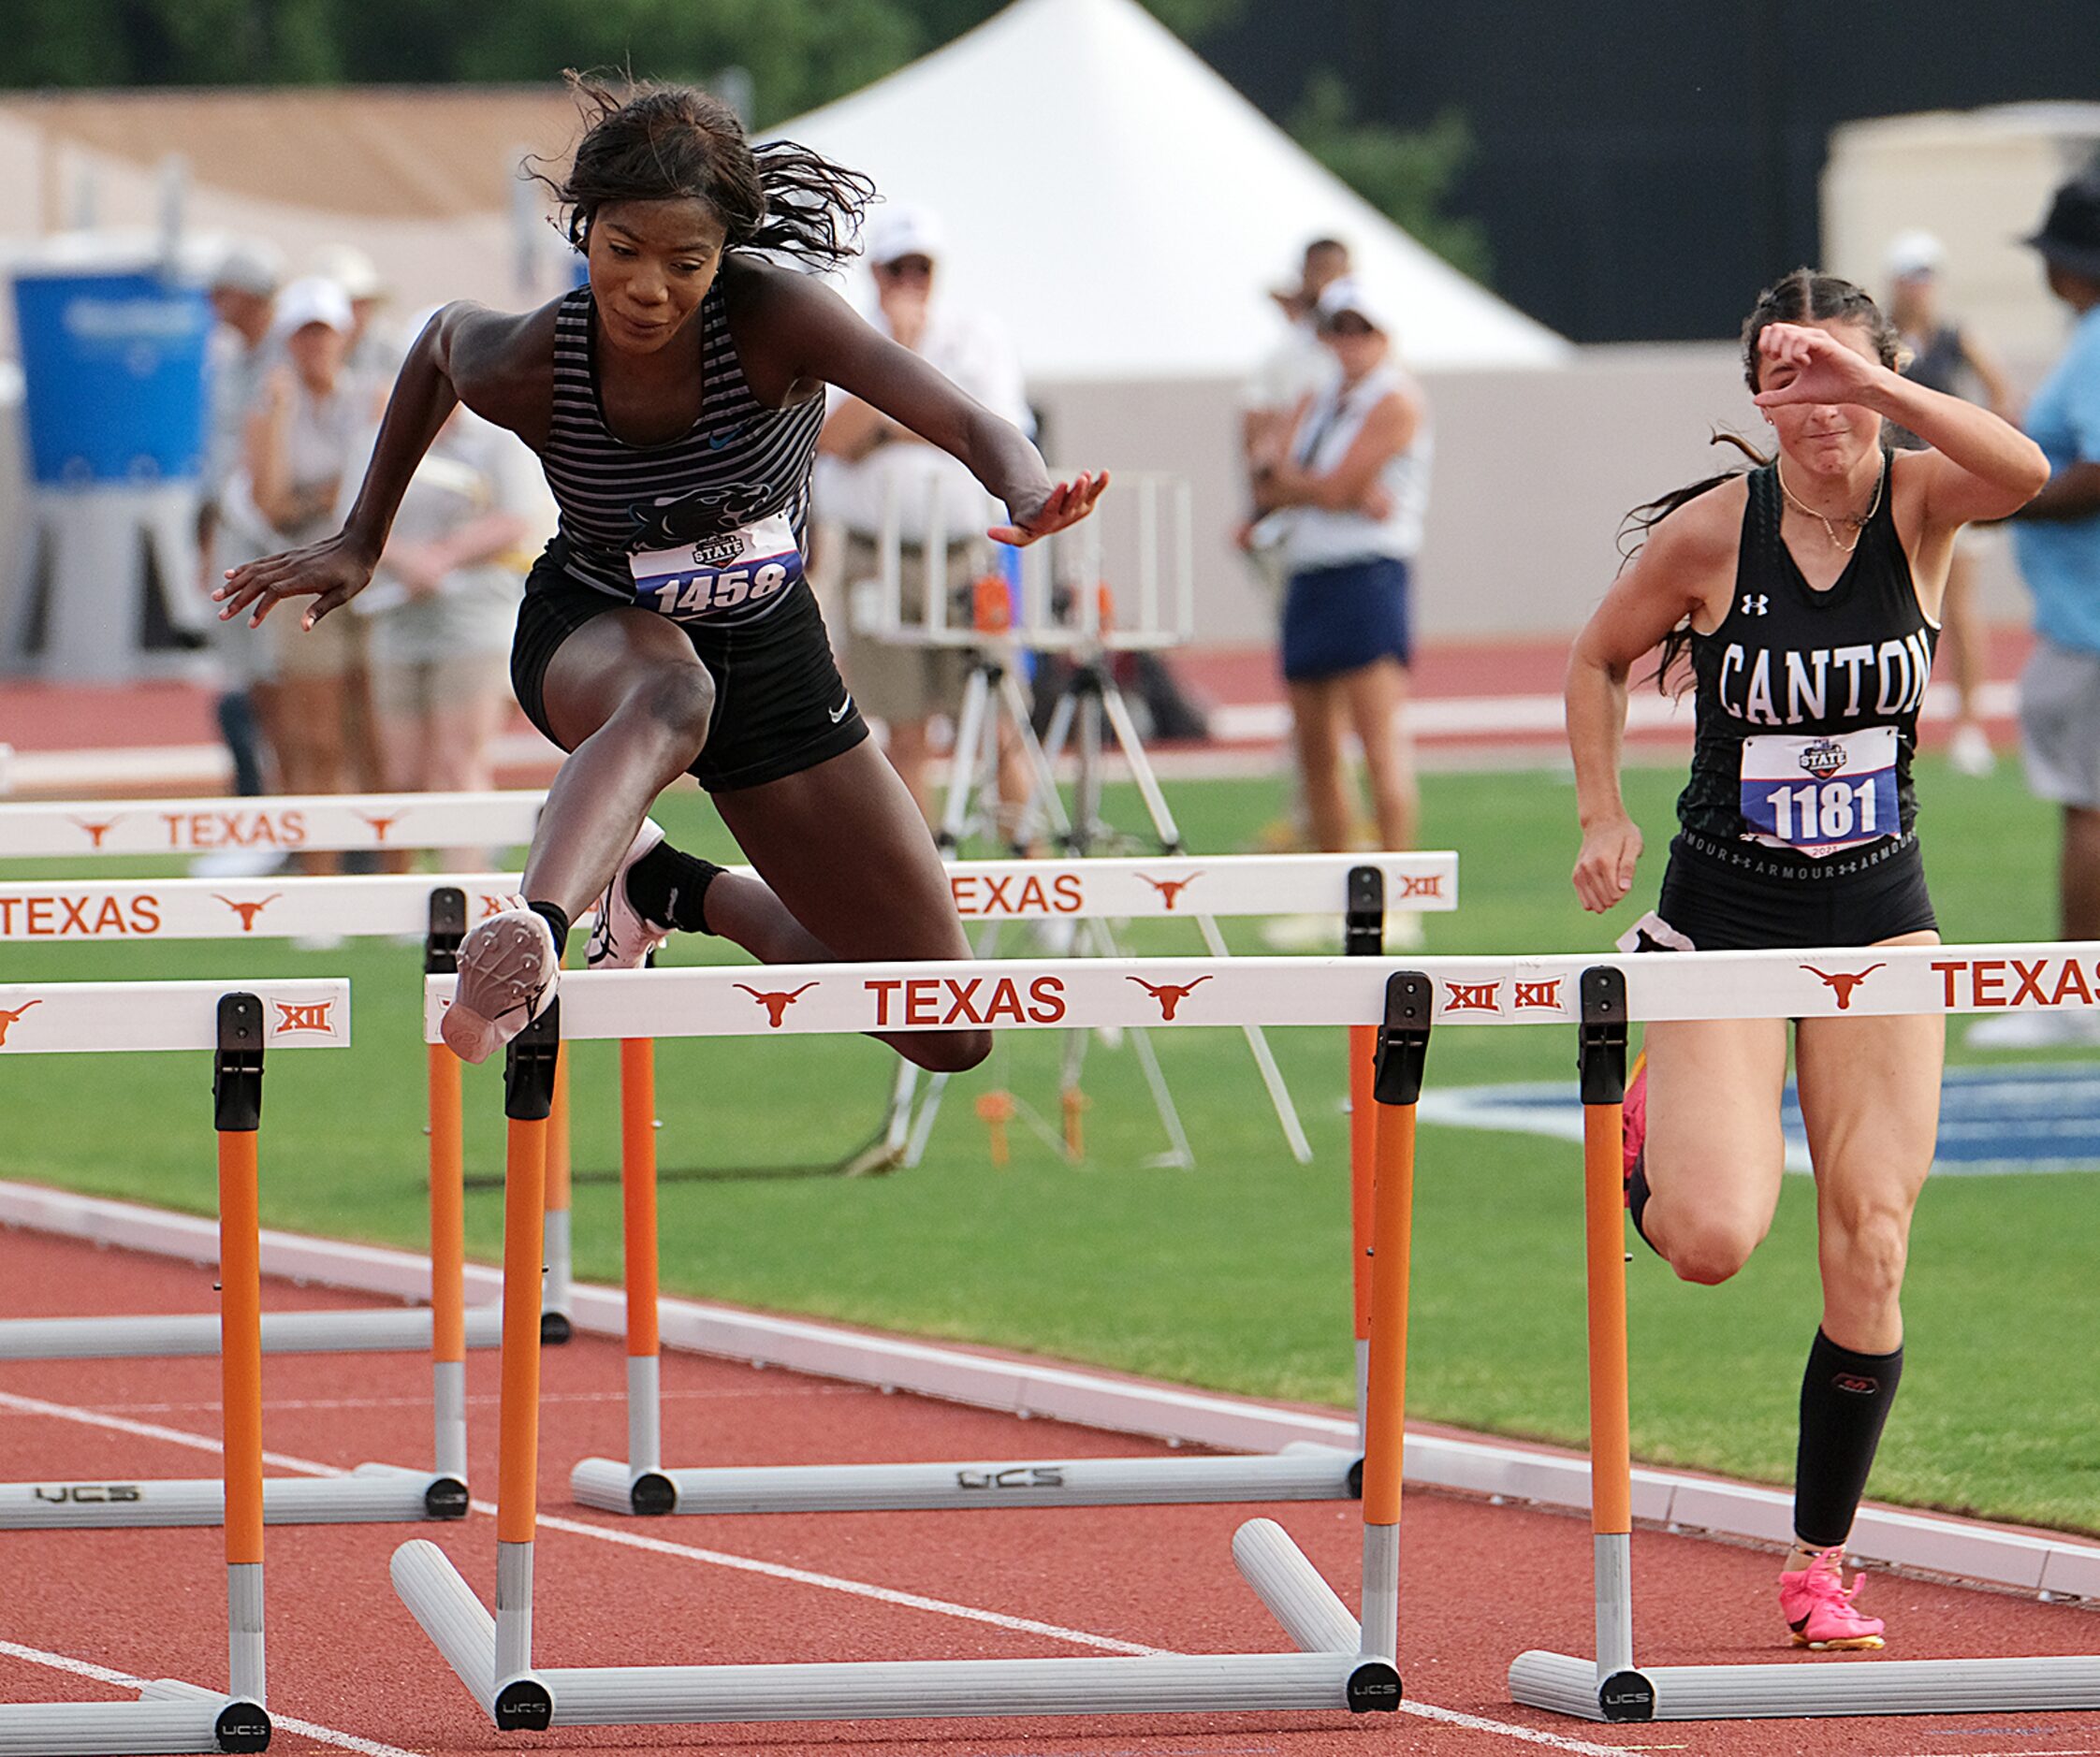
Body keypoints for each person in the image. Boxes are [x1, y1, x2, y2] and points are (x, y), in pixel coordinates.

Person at [218, 75, 1104, 1067]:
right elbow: (434, 345)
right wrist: (360, 539)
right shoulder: (534, 357)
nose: (648, 288)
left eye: (685, 264)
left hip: (770, 650)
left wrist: (1026, 491)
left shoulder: (777, 322)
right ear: (585, 234)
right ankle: (535, 932)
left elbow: (969, 418)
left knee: (945, 1026)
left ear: (724, 256)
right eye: (621, 253)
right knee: (673, 690)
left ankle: (675, 888)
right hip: (597, 625)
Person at [1566, 269, 2047, 1650]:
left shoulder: (1923, 499)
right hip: (1727, 920)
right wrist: (1604, 811)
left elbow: (2026, 469)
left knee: (1874, 1245)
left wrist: (1873, 379)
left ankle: (1820, 1561)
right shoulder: (1720, 535)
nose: (1823, 413)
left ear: (1884, 381)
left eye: (1846, 382)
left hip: (1880, 918)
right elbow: (1596, 660)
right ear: (1762, 402)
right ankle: (1656, 1112)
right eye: (1793, 385)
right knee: (1710, 1240)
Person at [816, 203, 1033, 820]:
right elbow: (831, 439)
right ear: (876, 274)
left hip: (963, 551)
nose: (910, 281)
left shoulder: (975, 335)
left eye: (921, 268)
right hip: (875, 555)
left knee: (997, 723)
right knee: (902, 731)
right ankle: (931, 890)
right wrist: (898, 354)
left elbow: (995, 432)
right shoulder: (847, 339)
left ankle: (1036, 878)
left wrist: (884, 429)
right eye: (897, 268)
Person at [1248, 277, 1431, 914]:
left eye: (1361, 330)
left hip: (1366, 572)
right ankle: (1338, 894)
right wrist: (1330, 486)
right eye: (1339, 330)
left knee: (1377, 737)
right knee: (1316, 746)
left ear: (1383, 337)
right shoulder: (1315, 395)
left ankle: (1401, 895)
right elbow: (1271, 480)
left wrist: (1318, 484)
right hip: (1312, 570)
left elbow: (1317, 485)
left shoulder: (1396, 399)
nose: (1349, 343)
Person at [342, 397, 536, 869]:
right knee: (404, 770)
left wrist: (445, 556)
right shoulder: (377, 439)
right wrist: (409, 561)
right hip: (397, 617)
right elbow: (351, 519)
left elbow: (516, 517)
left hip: (473, 616)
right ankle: (421, 885)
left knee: (457, 761)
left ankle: (465, 887)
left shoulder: (495, 436)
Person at [228, 273, 380, 874]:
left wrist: (311, 500)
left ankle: (389, 877)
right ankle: (322, 879)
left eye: (324, 331)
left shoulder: (372, 398)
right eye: (303, 334)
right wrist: (285, 414)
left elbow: (357, 494)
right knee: (312, 737)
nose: (314, 345)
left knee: (377, 735)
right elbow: (271, 501)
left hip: (370, 578)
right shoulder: (271, 408)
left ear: (343, 334)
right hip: (304, 579)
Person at [1884, 229, 2015, 777]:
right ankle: (1889, 723)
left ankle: (1968, 727)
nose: (1921, 286)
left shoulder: (1955, 337)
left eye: (1928, 275)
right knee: (1891, 606)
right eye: (1913, 275)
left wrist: (1979, 453)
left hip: (1949, 485)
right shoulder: (1882, 338)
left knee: (1959, 608)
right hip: (1895, 488)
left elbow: (2000, 392)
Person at [196, 239, 284, 835]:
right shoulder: (228, 361)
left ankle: (281, 806)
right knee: (244, 677)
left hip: (277, 538)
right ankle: (256, 802)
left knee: (284, 681)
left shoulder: (286, 359)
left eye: (223, 292)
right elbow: (216, 463)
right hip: (235, 534)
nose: (213, 304)